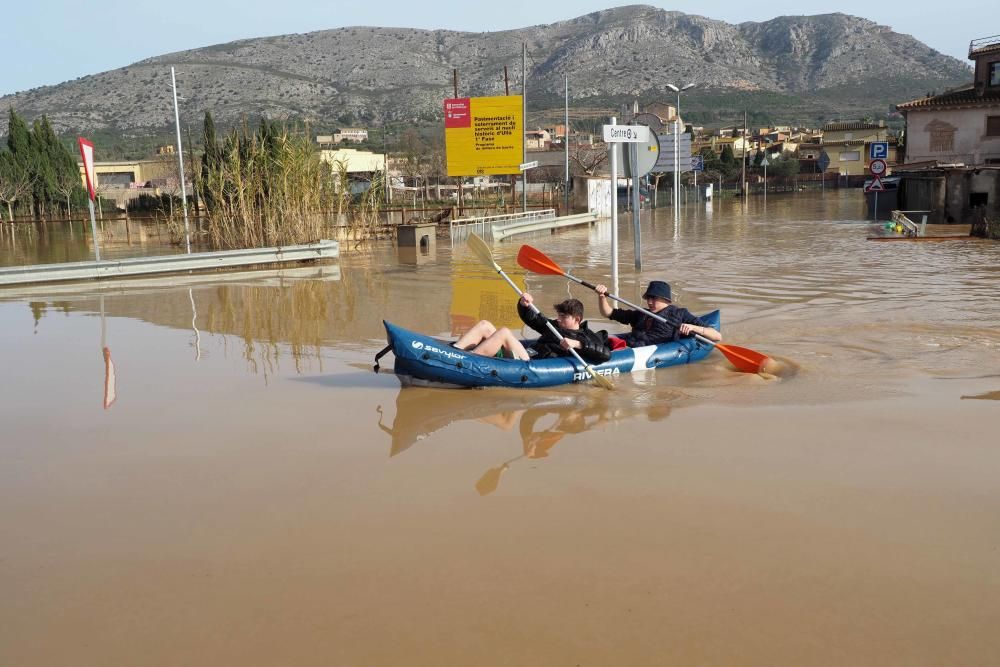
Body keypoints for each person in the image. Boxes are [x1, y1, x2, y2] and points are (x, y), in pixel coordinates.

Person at [453, 292, 611, 364]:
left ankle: (464, 363)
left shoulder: (586, 335)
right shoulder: (553, 326)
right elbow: (532, 319)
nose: (558, 319)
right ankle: (454, 352)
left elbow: (605, 354)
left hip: (533, 362)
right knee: (485, 325)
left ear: (577, 319)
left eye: (563, 317)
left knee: (504, 332)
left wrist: (577, 344)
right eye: (559, 315)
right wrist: (524, 305)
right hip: (527, 353)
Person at [594, 280, 721, 347]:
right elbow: (608, 313)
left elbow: (716, 336)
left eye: (653, 298)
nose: (649, 302)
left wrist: (692, 327)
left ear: (666, 300)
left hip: (641, 349)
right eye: (648, 298)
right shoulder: (641, 313)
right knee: (594, 338)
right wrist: (602, 297)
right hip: (628, 342)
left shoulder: (680, 314)